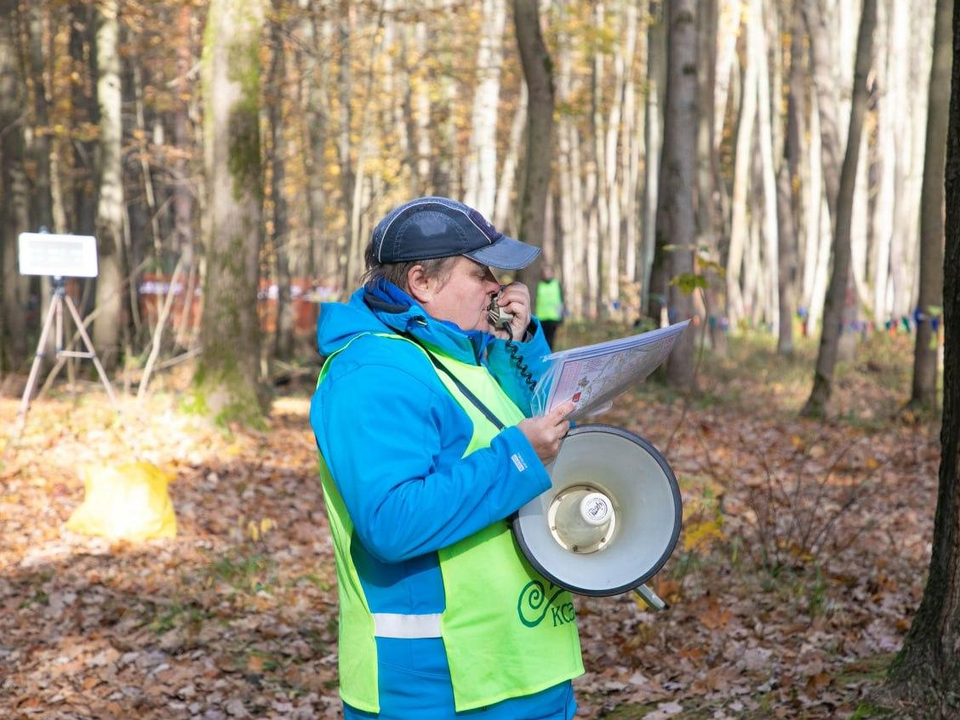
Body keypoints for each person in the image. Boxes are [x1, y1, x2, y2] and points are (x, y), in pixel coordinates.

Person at [310, 196, 583, 719]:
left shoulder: (468, 356)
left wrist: (517, 345)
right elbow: (393, 521)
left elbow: (540, 439)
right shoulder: (373, 371)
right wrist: (519, 458)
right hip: (437, 689)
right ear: (422, 282)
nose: (497, 288)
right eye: (481, 273)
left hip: (527, 668)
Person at [535, 263, 564, 348]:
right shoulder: (539, 284)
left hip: (554, 317)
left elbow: (561, 300)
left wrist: (562, 316)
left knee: (551, 340)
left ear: (552, 273)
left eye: (549, 272)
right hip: (541, 317)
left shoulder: (557, 284)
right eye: (545, 273)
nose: (547, 274)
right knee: (542, 340)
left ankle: (550, 357)